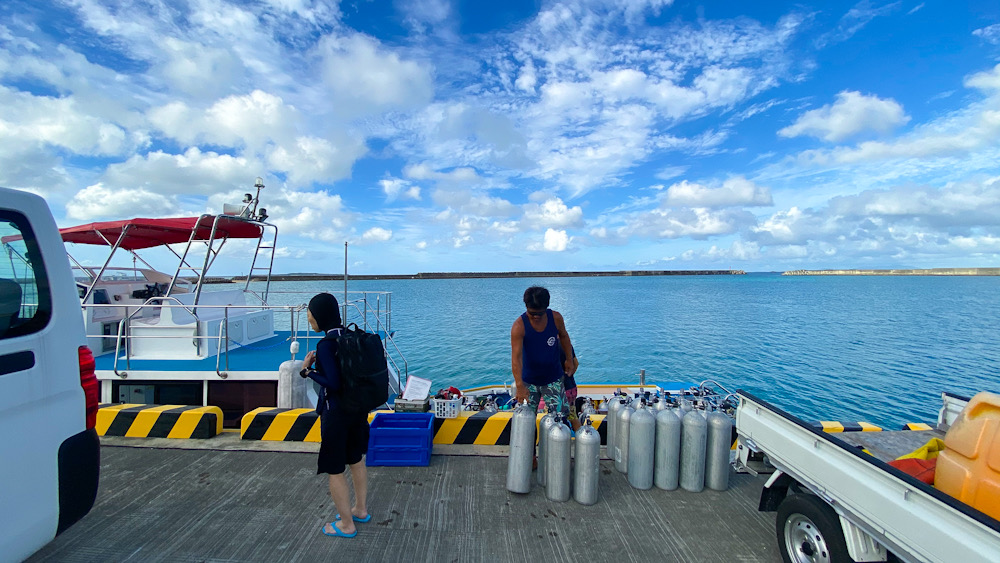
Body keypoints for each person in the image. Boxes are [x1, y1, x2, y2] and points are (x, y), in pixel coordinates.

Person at [299, 293, 370, 539]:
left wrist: (307, 371)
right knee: (356, 459)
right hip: (358, 410)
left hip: (336, 413)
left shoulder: (326, 345)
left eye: (311, 315)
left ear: (320, 316)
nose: (309, 319)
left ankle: (346, 525)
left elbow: (333, 383)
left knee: (334, 469)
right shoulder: (351, 336)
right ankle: (360, 509)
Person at [511, 285, 577, 427]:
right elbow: (516, 358)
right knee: (525, 423)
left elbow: (564, 337)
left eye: (539, 314)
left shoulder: (556, 318)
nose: (535, 317)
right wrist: (519, 385)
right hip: (529, 382)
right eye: (531, 313)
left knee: (561, 422)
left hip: (553, 379)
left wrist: (569, 359)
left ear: (546, 307)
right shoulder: (519, 326)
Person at [561, 346, 581, 431]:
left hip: (558, 390)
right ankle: (581, 439)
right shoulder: (567, 346)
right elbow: (576, 363)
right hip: (571, 387)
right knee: (573, 416)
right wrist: (569, 375)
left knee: (553, 417)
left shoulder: (551, 345)